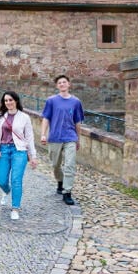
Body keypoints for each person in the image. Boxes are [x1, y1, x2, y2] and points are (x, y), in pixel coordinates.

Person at [0, 91, 38, 221]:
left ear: (16, 101)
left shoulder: (24, 117)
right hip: (3, 151)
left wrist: (33, 156)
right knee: (1, 181)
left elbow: (29, 138)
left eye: (10, 100)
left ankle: (15, 208)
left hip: (19, 151)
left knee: (16, 180)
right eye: (6, 101)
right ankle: (6, 191)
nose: (8, 103)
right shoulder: (0, 116)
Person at [40, 75, 84, 206]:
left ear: (69, 84)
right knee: (55, 164)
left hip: (70, 137)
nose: (62, 84)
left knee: (70, 165)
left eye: (64, 82)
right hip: (55, 137)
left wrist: (78, 139)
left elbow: (78, 121)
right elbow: (46, 118)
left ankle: (67, 192)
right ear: (57, 86)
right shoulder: (51, 101)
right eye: (59, 82)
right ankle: (60, 180)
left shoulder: (76, 102)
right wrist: (43, 134)